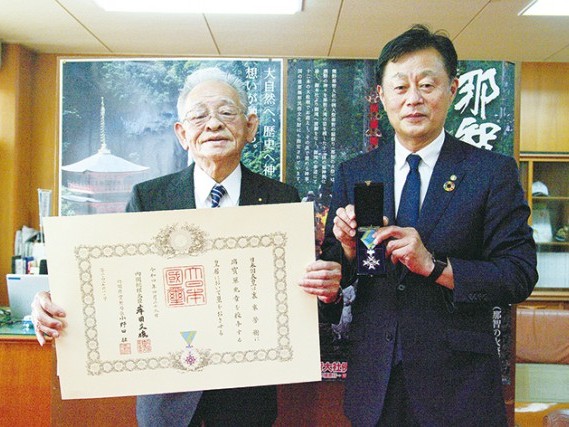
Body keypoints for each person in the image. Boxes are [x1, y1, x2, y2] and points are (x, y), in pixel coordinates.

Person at [31, 67, 341, 427]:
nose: (213, 124)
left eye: (226, 112)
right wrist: (57, 301)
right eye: (198, 116)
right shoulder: (149, 198)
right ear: (182, 133)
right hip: (168, 401)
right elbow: (117, 285)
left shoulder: (281, 199)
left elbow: (305, 301)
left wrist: (326, 291)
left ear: (251, 126)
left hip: (246, 399)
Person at [311, 25, 538, 426]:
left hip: (459, 386)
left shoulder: (490, 172)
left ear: (452, 89)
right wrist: (345, 249)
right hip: (375, 383)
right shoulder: (356, 171)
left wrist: (435, 266)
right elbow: (339, 269)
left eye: (427, 85)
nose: (413, 98)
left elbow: (518, 275)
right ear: (382, 96)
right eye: (400, 87)